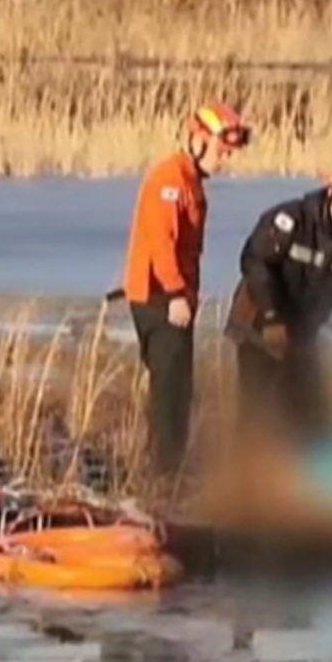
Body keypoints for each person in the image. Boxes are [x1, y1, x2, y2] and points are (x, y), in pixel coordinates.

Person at [117, 102, 251, 478]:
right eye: (222, 152)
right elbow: (162, 242)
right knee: (170, 393)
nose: (225, 161)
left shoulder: (188, 179)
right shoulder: (170, 181)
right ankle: (162, 476)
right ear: (198, 140)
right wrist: (177, 293)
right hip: (160, 298)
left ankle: (166, 469)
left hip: (172, 298)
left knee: (177, 390)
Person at [227, 160, 332, 444]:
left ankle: (307, 477)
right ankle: (247, 474)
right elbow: (256, 264)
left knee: (312, 413)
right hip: (259, 325)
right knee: (257, 409)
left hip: (302, 333)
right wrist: (273, 316)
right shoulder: (291, 220)